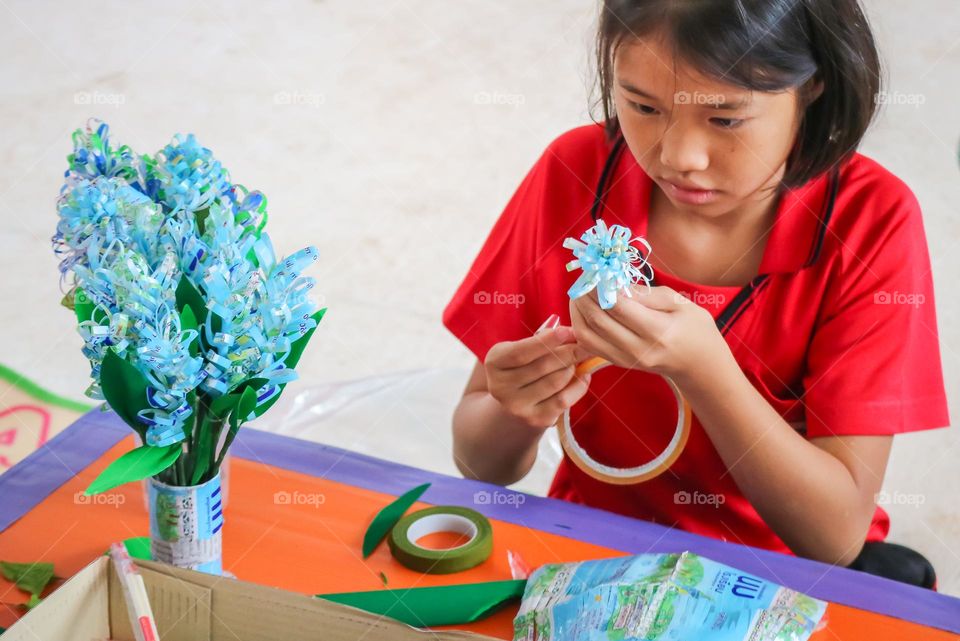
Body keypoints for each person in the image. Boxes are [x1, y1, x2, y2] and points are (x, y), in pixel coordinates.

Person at [443, 0, 949, 589]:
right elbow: (481, 464)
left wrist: (706, 371)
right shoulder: (575, 173)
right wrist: (517, 407)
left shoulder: (869, 221)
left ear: (811, 86)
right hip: (593, 553)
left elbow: (834, 538)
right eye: (642, 106)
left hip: (775, 580)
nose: (679, 157)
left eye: (726, 118)